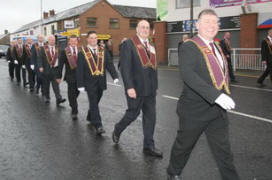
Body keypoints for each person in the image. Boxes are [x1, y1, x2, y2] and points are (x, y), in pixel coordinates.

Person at [167, 9, 240, 180]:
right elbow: (189, 75)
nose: (211, 25)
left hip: (216, 112)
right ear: (197, 25)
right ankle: (173, 172)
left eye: (215, 22)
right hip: (194, 111)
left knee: (224, 152)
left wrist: (221, 95)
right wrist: (217, 96)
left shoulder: (217, 46)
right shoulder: (189, 46)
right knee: (184, 146)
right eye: (207, 21)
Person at [112, 20, 163, 158]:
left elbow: (153, 69)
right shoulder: (128, 44)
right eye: (142, 27)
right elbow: (125, 67)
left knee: (150, 117)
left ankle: (148, 146)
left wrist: (155, 86)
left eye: (147, 27)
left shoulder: (151, 46)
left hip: (150, 90)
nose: (145, 29)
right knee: (132, 114)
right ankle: (118, 129)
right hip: (136, 89)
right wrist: (129, 87)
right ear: (137, 29)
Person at [76, 31, 119, 135]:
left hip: (100, 82)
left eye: (95, 38)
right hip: (89, 83)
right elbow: (80, 69)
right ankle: (98, 125)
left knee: (96, 101)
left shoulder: (102, 50)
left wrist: (115, 76)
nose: (93, 40)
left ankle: (90, 116)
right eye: (91, 38)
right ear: (87, 39)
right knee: (94, 102)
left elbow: (109, 64)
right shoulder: (82, 52)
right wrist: (80, 84)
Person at [37, 35, 66, 105]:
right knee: (46, 85)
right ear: (48, 41)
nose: (52, 41)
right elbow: (39, 59)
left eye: (53, 40)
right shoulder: (43, 48)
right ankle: (47, 97)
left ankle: (58, 98)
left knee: (56, 85)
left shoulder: (58, 49)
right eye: (51, 40)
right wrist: (40, 66)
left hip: (55, 70)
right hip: (46, 69)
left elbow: (61, 59)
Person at [59, 35, 80, 120]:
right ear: (69, 42)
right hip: (70, 76)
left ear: (77, 42)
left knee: (77, 92)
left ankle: (72, 102)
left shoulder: (80, 50)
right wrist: (58, 76)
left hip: (79, 77)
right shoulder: (65, 51)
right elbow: (61, 65)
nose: (74, 42)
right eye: (72, 41)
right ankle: (74, 111)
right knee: (71, 93)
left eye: (75, 41)